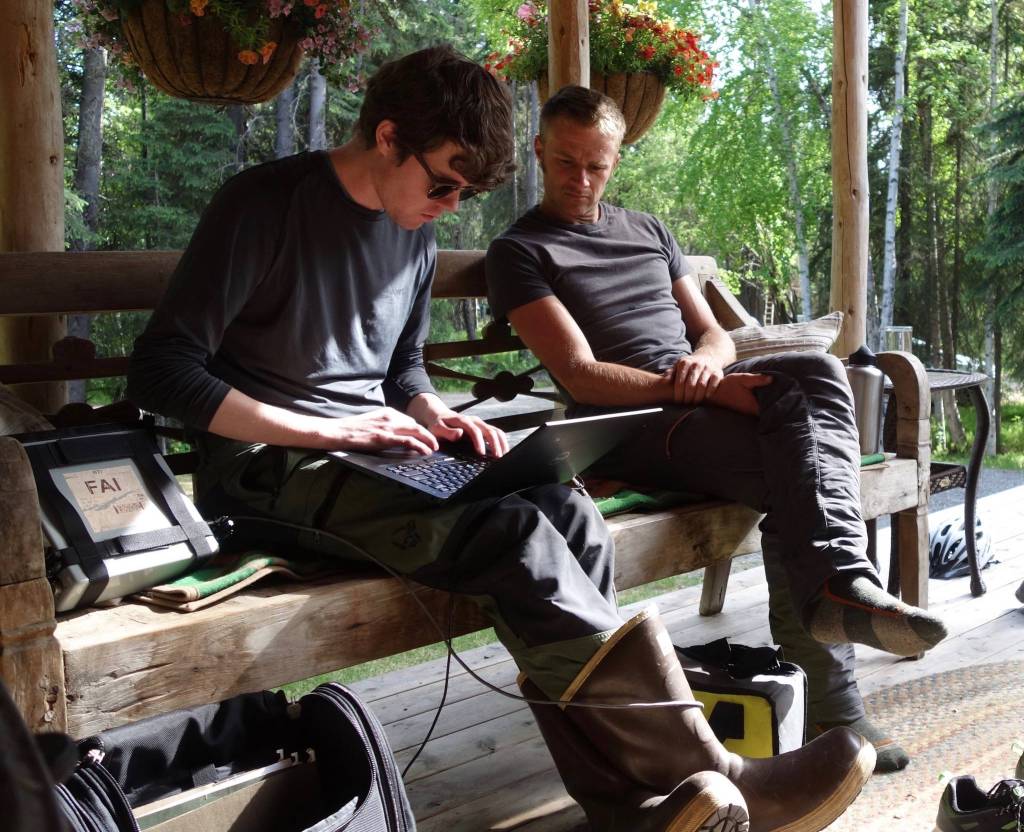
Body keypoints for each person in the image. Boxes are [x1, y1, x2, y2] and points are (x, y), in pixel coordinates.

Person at [129, 48, 874, 832]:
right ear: (388, 137)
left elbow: (400, 369)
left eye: (466, 193)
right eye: (443, 184)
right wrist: (325, 427)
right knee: (517, 536)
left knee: (566, 507)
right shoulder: (263, 205)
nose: (449, 207)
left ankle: (628, 810)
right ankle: (713, 771)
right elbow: (163, 370)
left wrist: (432, 412)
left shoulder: (412, 234)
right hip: (269, 470)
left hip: (376, 455)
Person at [486, 85, 949, 777]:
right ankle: (837, 693)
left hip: (696, 402)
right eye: (565, 163)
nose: (581, 179)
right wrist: (702, 387)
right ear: (538, 151)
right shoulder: (520, 249)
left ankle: (838, 588)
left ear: (617, 158)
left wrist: (707, 363)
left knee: (816, 372)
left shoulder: (649, 231)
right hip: (629, 426)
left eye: (596, 165)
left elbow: (712, 332)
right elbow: (580, 376)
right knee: (799, 475)